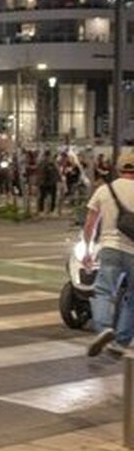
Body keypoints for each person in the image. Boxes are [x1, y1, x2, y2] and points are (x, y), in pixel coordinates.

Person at [81, 151, 134, 358]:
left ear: (119, 169)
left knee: (103, 291)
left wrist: (88, 251)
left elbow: (90, 224)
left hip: (110, 248)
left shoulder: (105, 190)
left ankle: (104, 329)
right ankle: (121, 341)